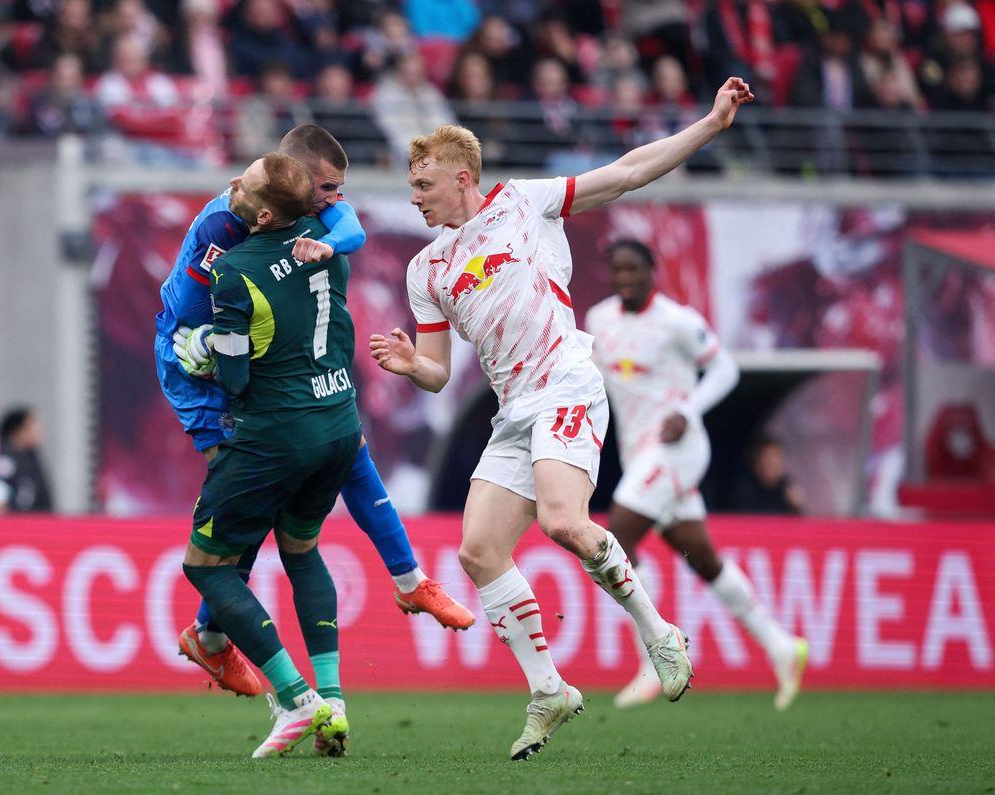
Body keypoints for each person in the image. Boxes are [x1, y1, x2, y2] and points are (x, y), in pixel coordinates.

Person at [370, 76, 756, 759]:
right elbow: (436, 371)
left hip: (567, 383)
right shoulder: (424, 269)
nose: (414, 195)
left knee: (563, 521)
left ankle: (659, 631)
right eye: (411, 183)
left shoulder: (526, 201)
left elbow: (628, 171)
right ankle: (548, 689)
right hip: (512, 409)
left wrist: (710, 124)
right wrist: (412, 365)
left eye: (423, 183)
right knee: (478, 550)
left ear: (463, 178)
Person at [156, 124, 472, 699]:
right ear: (288, 187)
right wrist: (208, 348)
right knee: (246, 498)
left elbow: (349, 227)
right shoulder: (221, 231)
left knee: (344, 447)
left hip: (252, 356)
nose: (335, 199)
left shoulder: (306, 208)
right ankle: (214, 635)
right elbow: (190, 314)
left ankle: (407, 580)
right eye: (327, 188)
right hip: (196, 361)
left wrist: (330, 243)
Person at [179, 152, 355, 758]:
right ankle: (333, 702)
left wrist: (196, 350)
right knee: (302, 551)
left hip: (275, 436)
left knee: (206, 566)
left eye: (245, 185)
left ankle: (297, 698)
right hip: (339, 424)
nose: (234, 187)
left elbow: (231, 378)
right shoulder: (328, 241)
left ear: (258, 210)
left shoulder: (234, 271)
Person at [584, 240, 807, 711]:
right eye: (617, 269)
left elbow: (725, 368)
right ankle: (781, 647)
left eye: (634, 269)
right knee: (702, 557)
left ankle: (656, 654)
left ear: (652, 271)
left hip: (679, 450)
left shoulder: (677, 321)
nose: (625, 277)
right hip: (639, 455)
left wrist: (688, 408)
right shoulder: (599, 320)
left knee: (616, 538)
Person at [0, 406, 55, 512]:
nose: (39, 429)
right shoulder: (2, 460)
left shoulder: (32, 456)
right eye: (32, 425)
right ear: (17, 430)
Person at [733, 435, 805, 514]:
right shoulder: (745, 493)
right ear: (756, 463)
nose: (771, 462)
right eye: (766, 459)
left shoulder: (787, 488)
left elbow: (797, 523)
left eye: (776, 458)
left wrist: (796, 507)